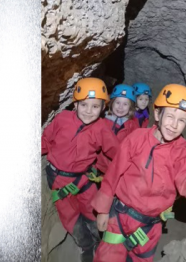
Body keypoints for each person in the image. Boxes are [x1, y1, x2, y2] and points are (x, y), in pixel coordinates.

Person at [92, 84, 186, 262]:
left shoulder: (182, 151)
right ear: (157, 114)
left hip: (149, 226)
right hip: (120, 216)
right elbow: (113, 173)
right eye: (170, 116)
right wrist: (102, 210)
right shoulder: (137, 138)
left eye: (181, 120)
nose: (174, 125)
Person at [41, 77, 120, 262]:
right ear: (75, 104)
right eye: (84, 105)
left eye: (95, 106)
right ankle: (86, 245)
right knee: (69, 216)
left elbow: (116, 153)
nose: (88, 111)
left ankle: (99, 240)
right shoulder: (62, 119)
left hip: (84, 178)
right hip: (58, 179)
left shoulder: (102, 128)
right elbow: (46, 140)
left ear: (103, 108)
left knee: (92, 208)